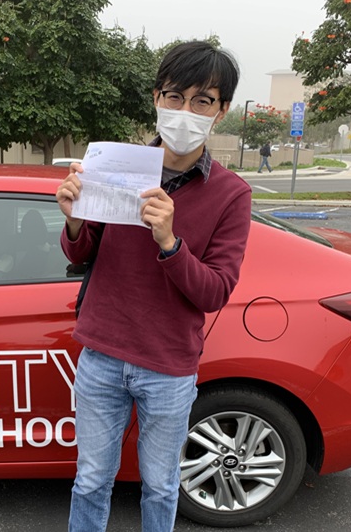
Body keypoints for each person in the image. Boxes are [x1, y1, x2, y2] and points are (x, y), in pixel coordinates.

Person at [55, 41, 252, 532]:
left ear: (221, 111)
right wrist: (74, 220)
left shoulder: (231, 194)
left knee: (162, 485)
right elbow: (80, 255)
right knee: (91, 479)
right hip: (101, 355)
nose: (185, 111)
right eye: (174, 96)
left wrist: (169, 241)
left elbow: (214, 292)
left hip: (168, 367)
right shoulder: (116, 167)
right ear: (156, 98)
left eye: (202, 101)